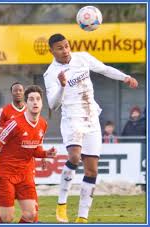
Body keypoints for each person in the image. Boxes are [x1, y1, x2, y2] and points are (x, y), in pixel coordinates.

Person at [43, 33, 138, 223]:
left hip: (91, 117)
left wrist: (124, 77)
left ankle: (82, 217)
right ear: (51, 51)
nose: (65, 51)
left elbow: (103, 69)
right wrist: (62, 86)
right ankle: (62, 204)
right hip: (71, 118)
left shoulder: (83, 58)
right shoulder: (51, 73)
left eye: (67, 46)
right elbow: (53, 105)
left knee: (92, 171)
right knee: (74, 157)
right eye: (60, 48)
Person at [0, 85, 57, 223]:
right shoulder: (14, 123)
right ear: (26, 103)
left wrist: (45, 154)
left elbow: (33, 149)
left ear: (42, 103)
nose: (35, 102)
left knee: (31, 215)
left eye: (38, 99)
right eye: (31, 99)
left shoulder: (43, 124)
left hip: (25, 175)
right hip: (6, 174)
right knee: (7, 218)